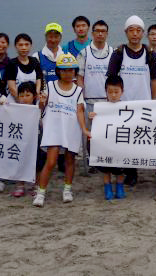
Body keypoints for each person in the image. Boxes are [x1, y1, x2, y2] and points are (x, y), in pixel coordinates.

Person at [106, 15, 156, 186]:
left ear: (143, 33)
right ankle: (131, 172)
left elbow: (154, 80)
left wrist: (153, 101)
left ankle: (152, 168)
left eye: (138, 30)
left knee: (142, 138)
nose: (135, 34)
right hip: (123, 104)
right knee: (126, 139)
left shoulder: (150, 55)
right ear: (125, 32)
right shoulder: (118, 54)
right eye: (131, 30)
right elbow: (111, 80)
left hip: (144, 105)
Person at [33, 53, 89, 207]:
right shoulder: (50, 86)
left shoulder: (78, 91)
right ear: (58, 71)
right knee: (51, 161)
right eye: (64, 70)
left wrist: (84, 129)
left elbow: (79, 111)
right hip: (54, 129)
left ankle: (67, 189)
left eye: (71, 70)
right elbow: (41, 108)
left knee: (70, 161)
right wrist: (41, 102)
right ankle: (41, 192)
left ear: (75, 71)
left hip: (71, 129)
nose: (67, 73)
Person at [76, 19, 113, 174]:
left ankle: (107, 160)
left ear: (107, 33)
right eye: (97, 31)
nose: (100, 34)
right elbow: (79, 78)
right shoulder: (84, 53)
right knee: (89, 134)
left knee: (107, 133)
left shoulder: (112, 52)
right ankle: (90, 161)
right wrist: (80, 99)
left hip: (108, 102)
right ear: (92, 33)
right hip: (89, 100)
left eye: (103, 31)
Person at [88, 75, 127, 200]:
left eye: (116, 92)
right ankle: (107, 187)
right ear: (106, 92)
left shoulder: (128, 108)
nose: (114, 95)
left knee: (120, 168)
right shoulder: (100, 107)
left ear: (122, 91)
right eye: (110, 92)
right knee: (106, 167)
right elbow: (95, 127)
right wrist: (93, 117)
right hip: (105, 145)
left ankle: (120, 187)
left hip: (120, 144)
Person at [11, 81, 39, 198]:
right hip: (20, 140)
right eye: (21, 95)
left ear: (34, 96)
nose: (24, 98)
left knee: (37, 163)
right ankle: (20, 185)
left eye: (28, 95)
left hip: (36, 140)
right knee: (20, 161)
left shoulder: (38, 108)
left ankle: (36, 185)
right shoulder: (15, 108)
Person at [4, 33, 44, 100]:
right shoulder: (11, 63)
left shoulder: (35, 61)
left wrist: (34, 98)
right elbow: (11, 88)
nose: (24, 48)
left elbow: (39, 81)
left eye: (26, 44)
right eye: (20, 45)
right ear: (15, 46)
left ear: (31, 46)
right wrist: (22, 101)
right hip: (15, 102)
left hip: (33, 102)